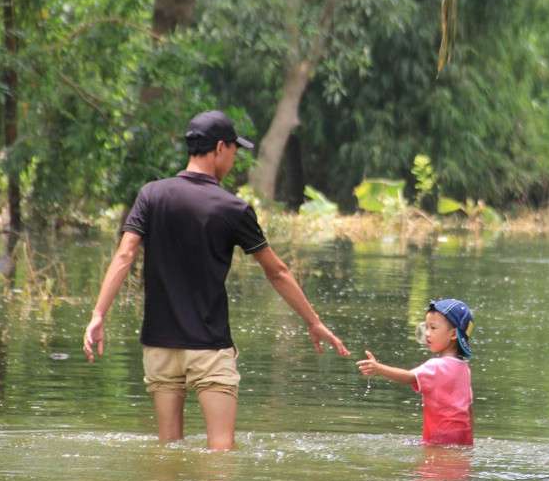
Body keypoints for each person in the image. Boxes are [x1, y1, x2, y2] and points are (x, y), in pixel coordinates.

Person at [82, 110, 350, 450]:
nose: (234, 161)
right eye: (235, 152)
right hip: (209, 347)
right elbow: (277, 271)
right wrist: (313, 322)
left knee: (168, 452)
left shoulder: (151, 195)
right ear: (220, 148)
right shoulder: (232, 208)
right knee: (221, 455)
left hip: (160, 345)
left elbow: (124, 255)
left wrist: (98, 315)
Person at [356, 299, 474, 446]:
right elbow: (469, 408)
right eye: (426, 327)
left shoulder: (436, 366)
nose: (427, 334)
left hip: (440, 437)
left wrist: (379, 368)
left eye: (433, 328)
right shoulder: (464, 369)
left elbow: (410, 377)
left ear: (453, 334)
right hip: (461, 437)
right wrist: (469, 441)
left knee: (430, 468)